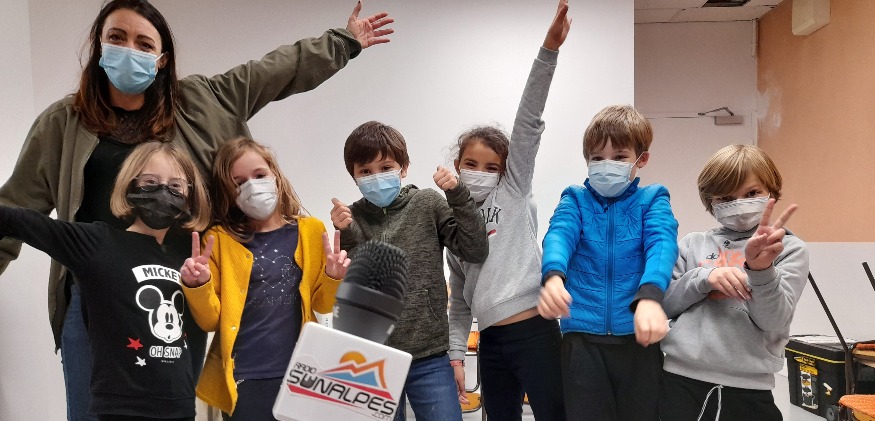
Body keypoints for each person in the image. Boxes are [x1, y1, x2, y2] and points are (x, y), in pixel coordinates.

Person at [0, 0, 392, 419]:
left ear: (163, 58)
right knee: (92, 409)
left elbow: (273, 71)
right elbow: (14, 209)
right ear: (99, 45)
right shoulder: (63, 122)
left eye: (143, 43)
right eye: (116, 37)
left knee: (172, 408)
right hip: (95, 297)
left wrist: (343, 42)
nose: (129, 49)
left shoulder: (201, 100)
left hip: (178, 284)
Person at [0, 142, 210, 420]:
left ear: (189, 197)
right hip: (121, 410)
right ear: (132, 185)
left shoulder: (184, 259)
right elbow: (21, 221)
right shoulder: (97, 243)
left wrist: (199, 286)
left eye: (175, 186)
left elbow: (205, 323)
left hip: (179, 406)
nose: (163, 192)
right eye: (151, 182)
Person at [445, 1, 570, 419]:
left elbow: (528, 121)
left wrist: (548, 51)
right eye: (471, 164)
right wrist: (456, 354)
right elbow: (460, 298)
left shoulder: (513, 191)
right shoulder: (451, 223)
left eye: (491, 167)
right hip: (491, 341)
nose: (480, 173)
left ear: (504, 171)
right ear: (457, 165)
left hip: (536, 332)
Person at [179, 137, 351, 420]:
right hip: (245, 377)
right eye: (239, 182)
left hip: (303, 373)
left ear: (276, 175)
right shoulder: (218, 239)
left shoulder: (311, 230)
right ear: (228, 192)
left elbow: (321, 305)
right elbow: (210, 321)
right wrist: (198, 285)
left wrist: (334, 277)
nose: (252, 186)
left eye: (259, 175)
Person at [330, 121, 490, 421]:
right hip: (372, 358)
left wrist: (458, 195)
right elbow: (357, 286)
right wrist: (347, 233)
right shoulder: (352, 217)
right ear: (354, 175)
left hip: (429, 355)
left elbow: (475, 250)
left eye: (385, 167)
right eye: (365, 171)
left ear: (403, 168)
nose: (376, 177)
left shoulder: (427, 203)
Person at [537, 105, 679, 421]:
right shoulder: (575, 198)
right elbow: (559, 235)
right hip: (581, 341)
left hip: (638, 340)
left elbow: (662, 244)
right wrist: (553, 277)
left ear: (641, 159)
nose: (606, 165)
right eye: (597, 158)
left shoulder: (653, 198)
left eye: (619, 157)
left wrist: (650, 297)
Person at [659, 144, 809, 421]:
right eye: (727, 197)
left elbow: (774, 321)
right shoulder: (692, 244)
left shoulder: (788, 249)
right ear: (711, 201)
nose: (739, 204)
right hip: (680, 380)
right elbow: (665, 305)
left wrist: (761, 270)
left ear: (771, 191)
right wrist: (704, 278)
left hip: (750, 388)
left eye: (751, 193)